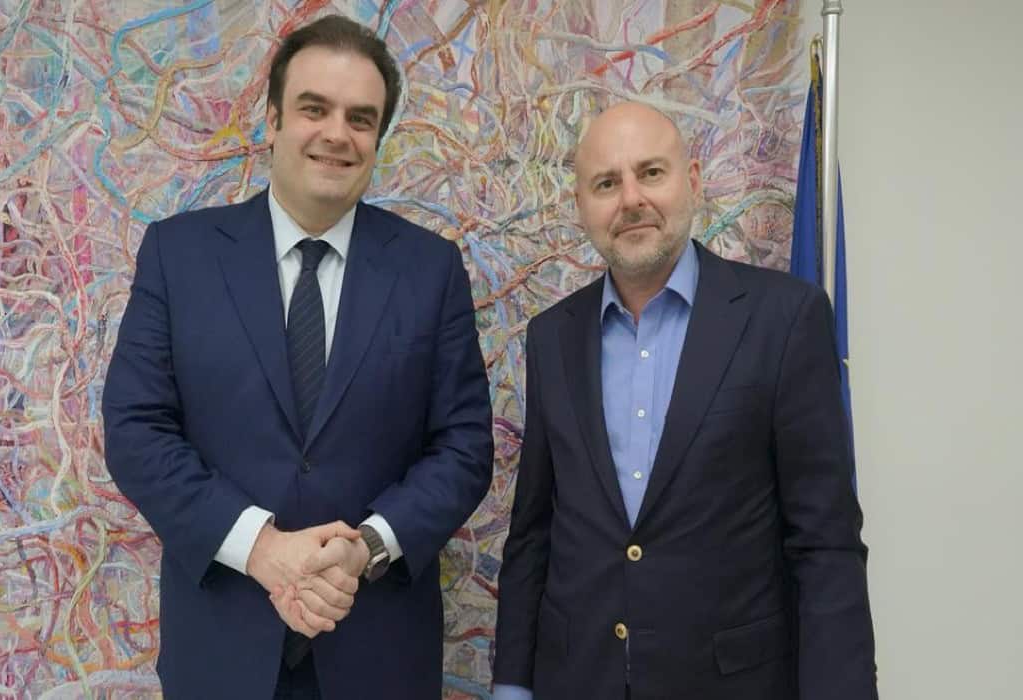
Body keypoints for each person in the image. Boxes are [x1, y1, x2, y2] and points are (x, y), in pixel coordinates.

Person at [103, 15, 493, 699]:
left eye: (361, 118)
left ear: (377, 138)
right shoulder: (178, 255)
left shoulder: (431, 270)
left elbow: (463, 448)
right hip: (221, 657)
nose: (337, 133)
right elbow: (136, 431)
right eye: (315, 108)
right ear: (274, 119)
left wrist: (366, 547)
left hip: (379, 657)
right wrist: (262, 548)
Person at [492, 102, 877, 699]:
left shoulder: (784, 319)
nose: (631, 199)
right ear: (581, 205)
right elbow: (534, 534)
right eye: (606, 183)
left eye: (651, 173)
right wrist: (512, 685)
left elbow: (824, 542)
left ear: (692, 180)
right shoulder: (551, 337)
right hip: (578, 680)